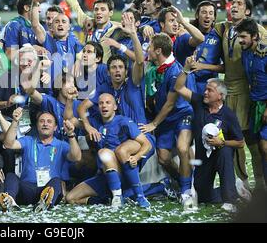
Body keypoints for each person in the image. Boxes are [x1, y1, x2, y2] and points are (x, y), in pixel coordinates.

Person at [175, 59, 245, 211]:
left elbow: (240, 142)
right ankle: (235, 190)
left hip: (220, 155)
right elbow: (179, 87)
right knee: (203, 197)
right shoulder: (199, 102)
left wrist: (222, 142)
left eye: (209, 90)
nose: (205, 92)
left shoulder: (228, 115)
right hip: (203, 159)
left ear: (220, 96)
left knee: (225, 152)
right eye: (205, 89)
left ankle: (230, 199)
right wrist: (186, 70)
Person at [65, 93, 154, 209]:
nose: (104, 106)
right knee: (71, 197)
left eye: (108, 103)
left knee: (104, 152)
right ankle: (107, 199)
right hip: (105, 175)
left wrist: (136, 157)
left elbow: (147, 144)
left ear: (115, 107)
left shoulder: (124, 122)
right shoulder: (95, 122)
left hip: (122, 173)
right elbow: (70, 119)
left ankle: (128, 196)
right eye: (101, 103)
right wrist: (69, 100)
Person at [215, 0, 267, 190]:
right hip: (229, 91)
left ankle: (260, 183)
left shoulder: (258, 32)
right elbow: (200, 22)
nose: (234, 6)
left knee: (252, 142)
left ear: (247, 11)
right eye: (232, 3)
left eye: (239, 4)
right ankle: (243, 182)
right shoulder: (224, 28)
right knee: (233, 138)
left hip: (249, 94)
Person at [140, 33, 194, 208]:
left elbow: (170, 104)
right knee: (163, 158)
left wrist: (153, 124)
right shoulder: (155, 68)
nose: (147, 49)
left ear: (158, 51)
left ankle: (186, 192)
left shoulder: (175, 72)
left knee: (182, 148)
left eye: (149, 47)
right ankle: (183, 182)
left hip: (181, 115)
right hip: (166, 119)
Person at [0, 109, 81, 212]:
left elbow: (77, 157)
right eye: (41, 121)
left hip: (49, 189)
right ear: (37, 126)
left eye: (49, 122)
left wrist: (71, 134)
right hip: (27, 189)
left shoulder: (61, 144)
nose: (45, 124)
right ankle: (9, 201)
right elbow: (8, 144)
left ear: (55, 127)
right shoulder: (28, 140)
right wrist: (15, 121)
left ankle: (45, 202)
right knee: (11, 176)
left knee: (56, 181)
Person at [53, 0, 120, 64]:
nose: (98, 12)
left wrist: (145, 28)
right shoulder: (87, 23)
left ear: (110, 13)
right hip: (88, 75)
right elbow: (72, 2)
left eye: (103, 9)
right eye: (96, 9)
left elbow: (135, 28)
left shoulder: (117, 28)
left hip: (107, 76)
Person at [237, 18, 267, 186]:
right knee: (258, 149)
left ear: (255, 36)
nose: (240, 40)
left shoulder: (265, 53)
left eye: (243, 36)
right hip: (255, 105)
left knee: (265, 146)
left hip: (265, 105)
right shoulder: (246, 53)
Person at [189, 1, 224, 94]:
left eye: (211, 13)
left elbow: (226, 68)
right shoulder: (187, 34)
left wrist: (202, 66)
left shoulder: (219, 37)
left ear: (214, 17)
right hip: (187, 83)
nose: (207, 16)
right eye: (204, 12)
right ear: (197, 15)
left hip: (208, 87)